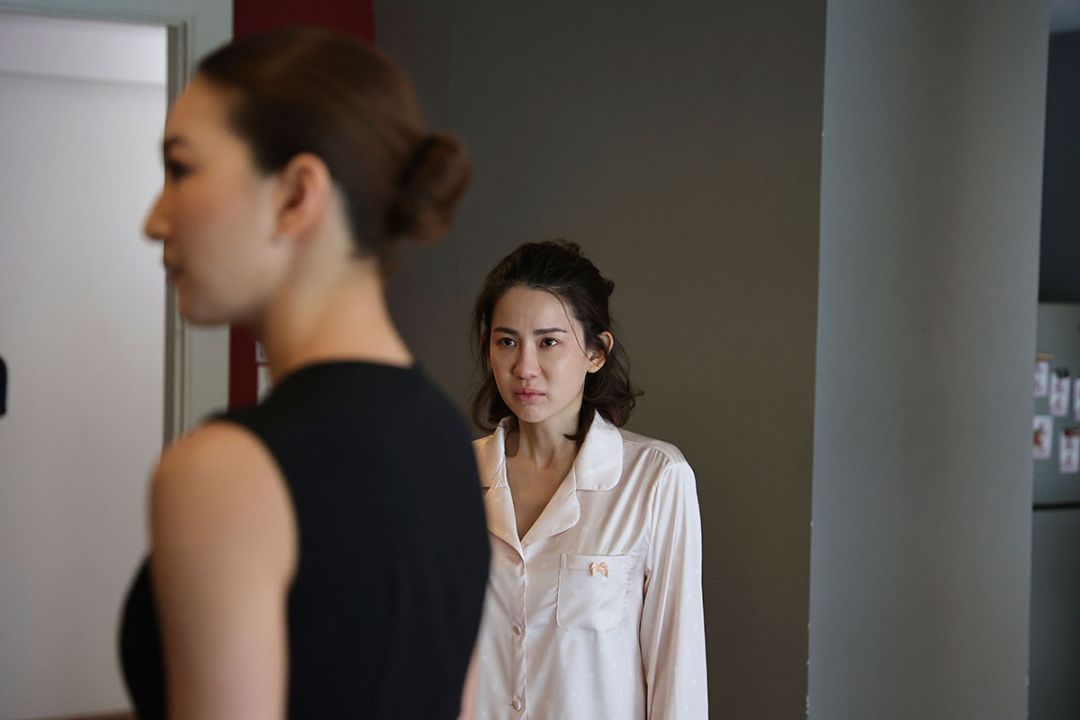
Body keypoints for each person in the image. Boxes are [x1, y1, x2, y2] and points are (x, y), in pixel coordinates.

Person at [119, 27, 489, 719]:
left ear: (296, 195)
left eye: (181, 169)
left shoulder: (224, 471)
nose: (155, 220)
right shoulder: (448, 442)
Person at [466, 240, 708, 719]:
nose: (524, 367)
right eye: (507, 341)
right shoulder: (448, 478)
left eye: (549, 342)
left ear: (596, 352)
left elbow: (677, 676)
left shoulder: (655, 479)